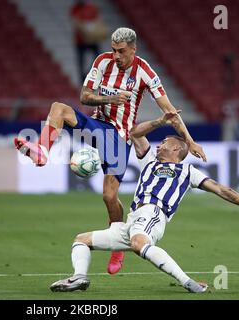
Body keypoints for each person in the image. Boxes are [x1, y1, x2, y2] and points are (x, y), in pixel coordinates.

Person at [14, 27, 207, 275]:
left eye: (122, 51)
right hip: (98, 126)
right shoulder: (102, 61)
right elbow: (84, 96)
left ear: (133, 50)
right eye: (114, 50)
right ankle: (41, 150)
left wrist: (189, 141)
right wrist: (110, 98)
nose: (116, 55)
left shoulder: (145, 72)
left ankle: (118, 244)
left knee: (108, 196)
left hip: (120, 137)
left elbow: (169, 111)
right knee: (59, 108)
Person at [49, 111, 239, 293]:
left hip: (153, 215)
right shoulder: (149, 160)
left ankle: (188, 282)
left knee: (140, 244)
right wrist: (161, 121)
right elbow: (135, 133)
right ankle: (79, 277)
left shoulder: (188, 172)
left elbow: (222, 189)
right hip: (132, 220)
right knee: (81, 240)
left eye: (165, 142)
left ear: (177, 148)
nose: (159, 145)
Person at [70, 0, 108, 82]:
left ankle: (91, 75)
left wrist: (94, 32)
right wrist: (86, 31)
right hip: (80, 40)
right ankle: (83, 79)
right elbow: (75, 22)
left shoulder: (91, 7)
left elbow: (98, 20)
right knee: (81, 62)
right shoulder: (76, 8)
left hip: (92, 39)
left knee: (98, 58)